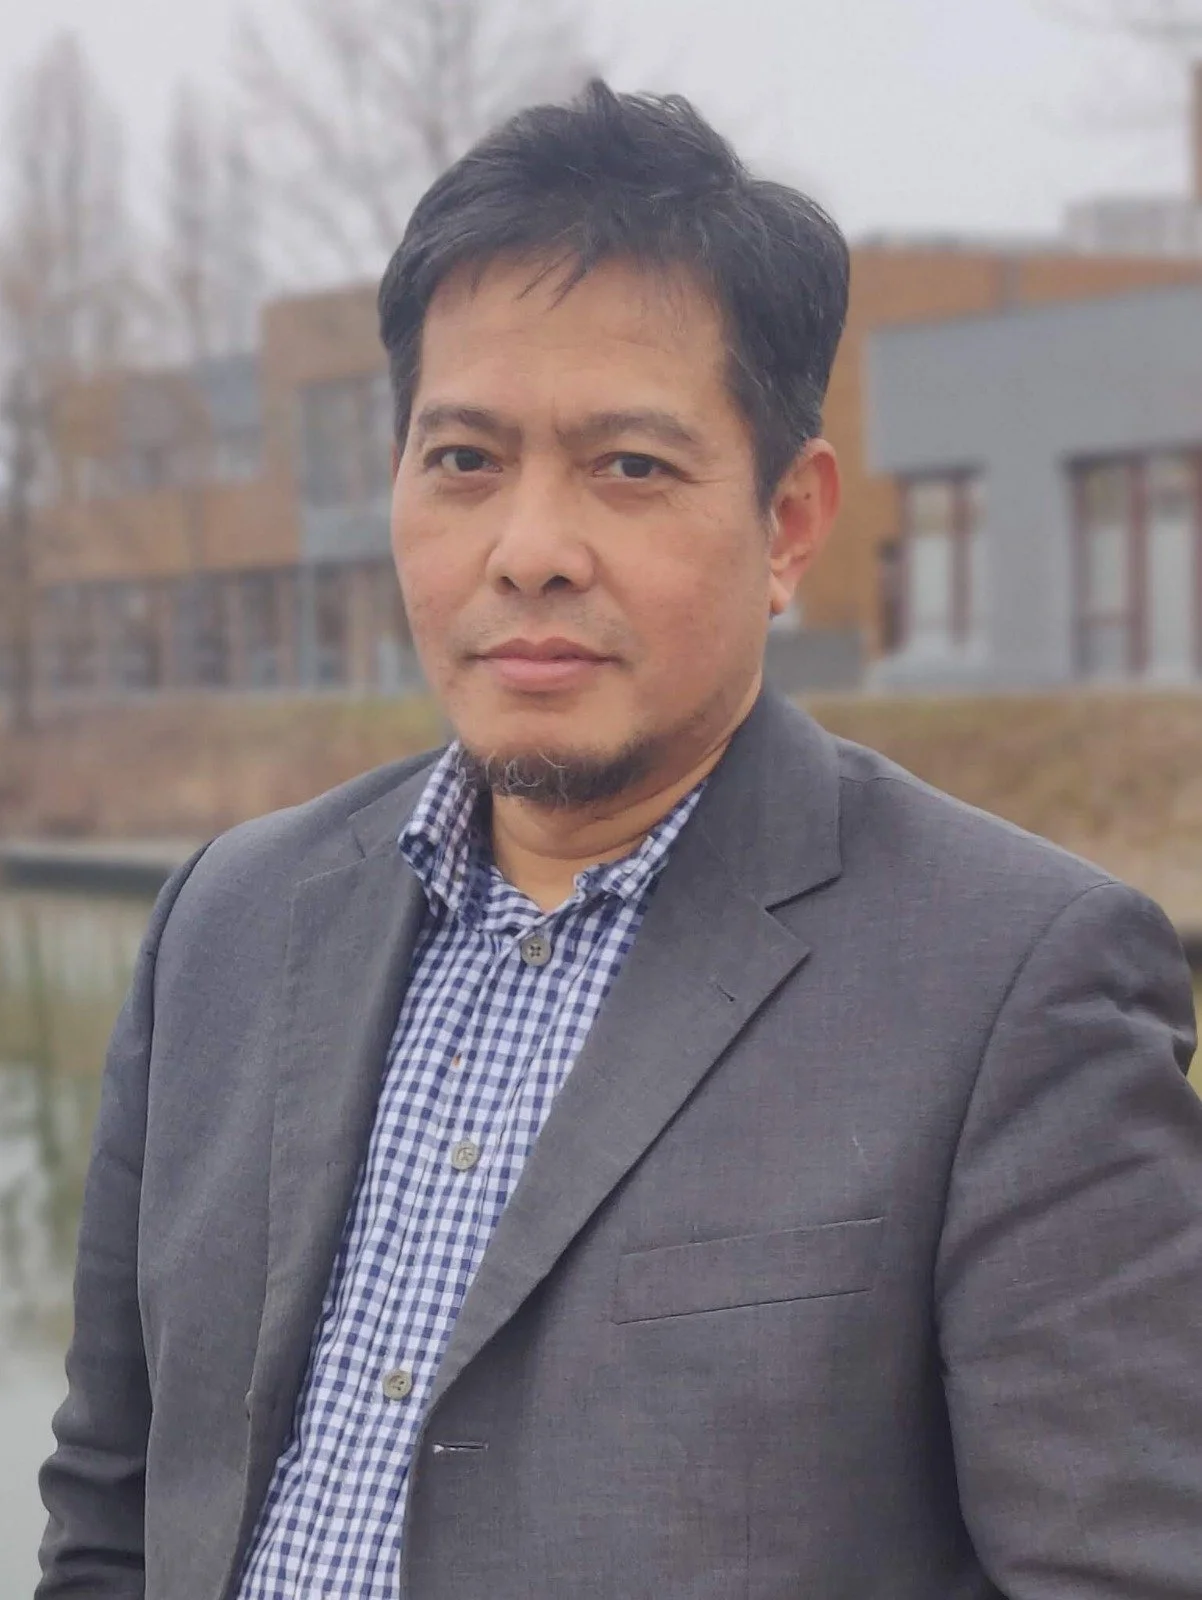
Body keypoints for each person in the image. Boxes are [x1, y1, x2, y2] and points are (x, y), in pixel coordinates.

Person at [36, 81, 1202, 1600]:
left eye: (628, 468)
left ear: (788, 524)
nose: (526, 549)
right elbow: (111, 1511)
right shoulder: (227, 922)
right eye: (462, 460)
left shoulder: (1010, 987)